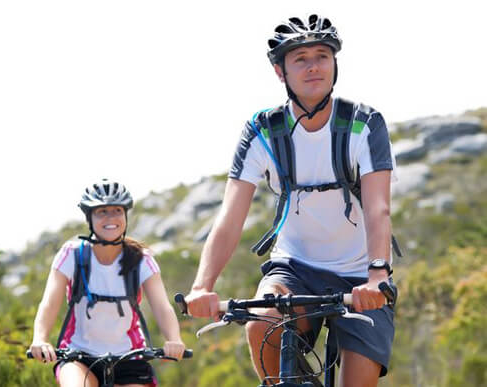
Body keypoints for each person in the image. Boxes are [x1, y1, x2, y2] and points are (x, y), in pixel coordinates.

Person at [185, 14, 396, 387]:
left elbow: (379, 209)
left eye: (322, 56)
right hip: (295, 268)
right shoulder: (262, 131)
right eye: (300, 58)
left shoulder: (364, 123)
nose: (313, 66)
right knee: (262, 321)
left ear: (334, 63)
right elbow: (230, 217)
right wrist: (203, 286)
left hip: (362, 275)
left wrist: (377, 275)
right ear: (281, 72)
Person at [29, 180, 185, 387]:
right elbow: (49, 304)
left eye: (117, 211)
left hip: (130, 357)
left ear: (126, 215)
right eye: (102, 211)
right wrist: (40, 339)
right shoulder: (72, 254)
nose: (111, 218)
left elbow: (162, 306)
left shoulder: (141, 259)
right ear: (89, 218)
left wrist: (173, 339)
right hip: (78, 355)